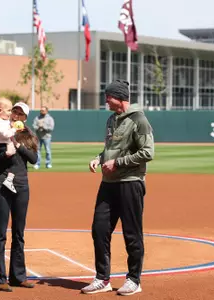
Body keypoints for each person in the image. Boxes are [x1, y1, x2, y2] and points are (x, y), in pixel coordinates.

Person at [81, 80, 155, 296]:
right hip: (108, 184)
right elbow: (110, 149)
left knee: (132, 233)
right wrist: (99, 158)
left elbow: (148, 152)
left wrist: (118, 163)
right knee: (99, 229)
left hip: (131, 182)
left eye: (109, 97)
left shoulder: (139, 120)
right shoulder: (112, 119)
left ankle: (134, 279)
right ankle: (102, 279)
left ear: (120, 98)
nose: (106, 100)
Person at [0, 101, 38, 292]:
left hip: (22, 186)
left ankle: (18, 276)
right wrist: (4, 155)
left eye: (20, 114)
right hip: (1, 183)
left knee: (19, 233)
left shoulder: (28, 134)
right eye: (14, 111)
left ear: (25, 118)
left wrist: (18, 144)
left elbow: (34, 158)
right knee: (0, 233)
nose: (16, 116)